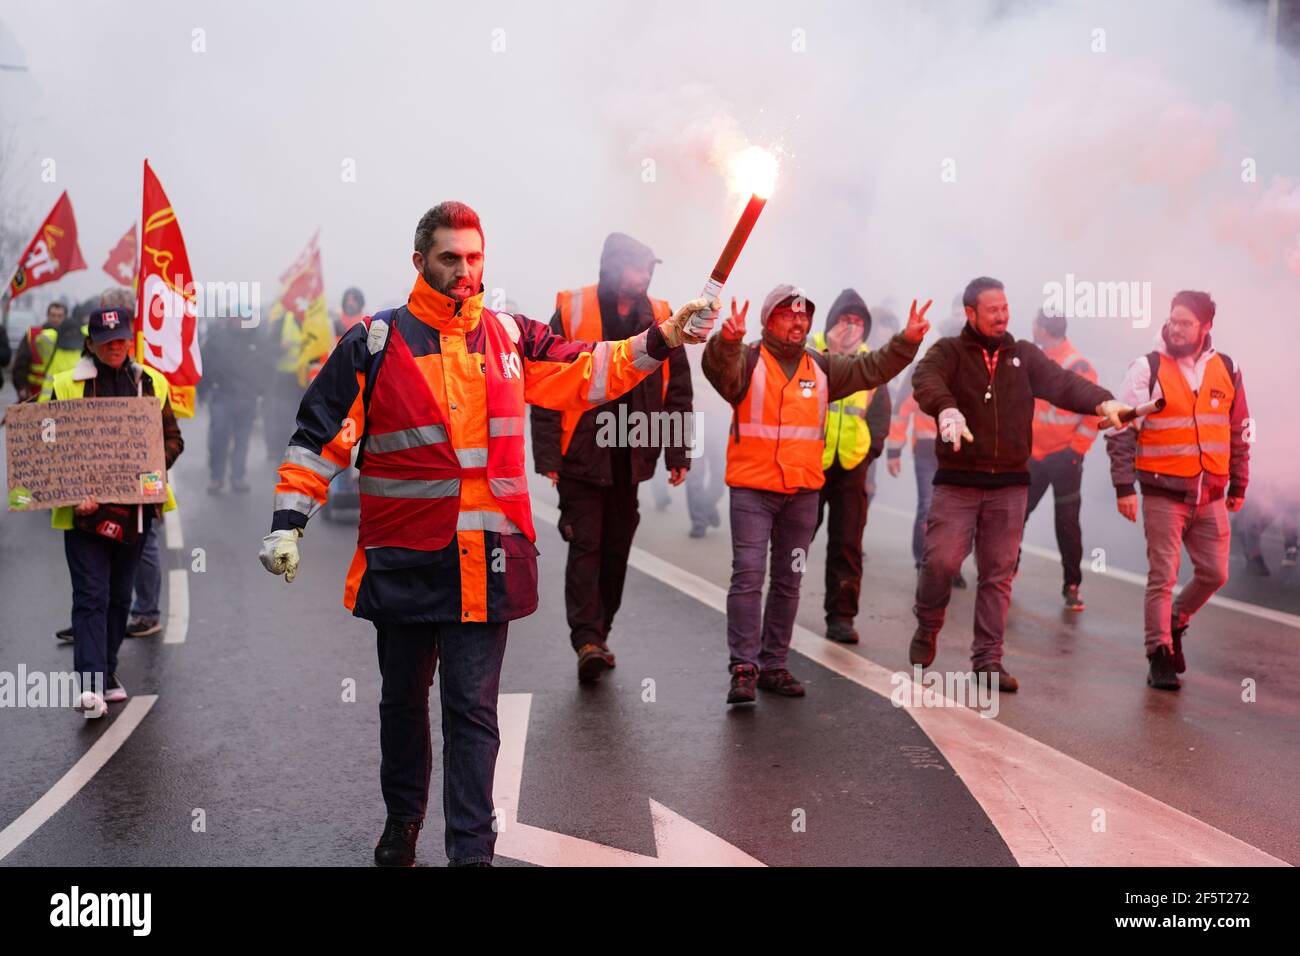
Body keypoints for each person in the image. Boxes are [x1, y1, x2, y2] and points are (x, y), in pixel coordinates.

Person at [258, 201, 715, 867]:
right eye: (450, 257)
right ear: (420, 262)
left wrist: (665, 336)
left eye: (474, 257)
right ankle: (403, 822)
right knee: (403, 705)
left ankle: (471, 852)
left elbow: (594, 369)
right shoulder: (373, 343)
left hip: (489, 561)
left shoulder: (510, 337)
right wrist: (288, 522)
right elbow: (320, 435)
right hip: (404, 560)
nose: (464, 270)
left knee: (472, 712)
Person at [703, 285, 926, 705]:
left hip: (803, 492)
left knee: (789, 581)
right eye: (789, 314)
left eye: (804, 315)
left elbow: (873, 368)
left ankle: (773, 664)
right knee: (749, 577)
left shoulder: (823, 366)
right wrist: (726, 340)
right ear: (768, 320)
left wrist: (907, 341)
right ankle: (744, 668)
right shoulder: (748, 360)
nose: (799, 321)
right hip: (753, 489)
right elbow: (720, 372)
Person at [909, 277, 1127, 692]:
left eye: (1005, 308)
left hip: (1010, 484)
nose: (1002, 315)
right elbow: (926, 379)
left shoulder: (1024, 356)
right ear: (970, 314)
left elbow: (1064, 384)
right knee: (940, 563)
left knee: (998, 574)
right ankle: (928, 625)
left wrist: (1104, 401)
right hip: (958, 482)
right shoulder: (949, 352)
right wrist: (947, 410)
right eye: (992, 309)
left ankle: (988, 660)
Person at [529, 233, 694, 682]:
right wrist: (547, 455)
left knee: (617, 545)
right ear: (611, 268)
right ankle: (586, 638)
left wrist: (679, 451)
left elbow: (677, 388)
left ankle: (600, 629)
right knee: (587, 544)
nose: (643, 277)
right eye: (635, 268)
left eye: (648, 270)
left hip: (632, 455)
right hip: (579, 453)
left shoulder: (662, 317)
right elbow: (544, 382)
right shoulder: (573, 309)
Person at [40, 307, 184, 716]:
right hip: (84, 514)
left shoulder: (149, 383)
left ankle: (106, 672)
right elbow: (48, 444)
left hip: (134, 512)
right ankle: (89, 685)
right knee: (91, 596)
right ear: (91, 345)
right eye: (107, 341)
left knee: (121, 597)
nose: (116, 347)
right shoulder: (67, 385)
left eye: (121, 339)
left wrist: (154, 464)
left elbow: (173, 438)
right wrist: (73, 490)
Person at [1106, 290, 1250, 691]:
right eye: (1173, 320)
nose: (1176, 328)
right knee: (1162, 577)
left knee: (1215, 573)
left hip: (1211, 495)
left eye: (1186, 322)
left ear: (1206, 327)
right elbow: (1119, 429)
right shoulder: (1146, 368)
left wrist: (1239, 482)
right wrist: (1123, 488)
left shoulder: (1228, 368)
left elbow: (1238, 430)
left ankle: (1176, 619)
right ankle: (1159, 655)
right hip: (1162, 494)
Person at [809, 289, 892, 645]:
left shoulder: (869, 362)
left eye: (858, 322)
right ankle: (781, 602)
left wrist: (871, 450)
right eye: (846, 320)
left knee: (847, 543)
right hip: (810, 462)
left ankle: (841, 616)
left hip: (852, 464)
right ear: (832, 321)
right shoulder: (810, 353)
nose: (851, 327)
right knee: (795, 541)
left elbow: (880, 414)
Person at [1023, 308, 1100, 611]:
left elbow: (1093, 411)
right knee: (1016, 515)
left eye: (1034, 323)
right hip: (1033, 455)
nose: (1031, 327)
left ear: (1044, 329)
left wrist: (1075, 451)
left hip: (1064, 458)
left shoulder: (1076, 364)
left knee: (1066, 524)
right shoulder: (1037, 360)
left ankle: (1072, 584)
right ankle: (1006, 570)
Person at [885, 316, 969, 589]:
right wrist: (893, 451)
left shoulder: (976, 370)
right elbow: (901, 410)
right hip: (927, 450)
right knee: (928, 507)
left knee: (959, 514)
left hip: (962, 452)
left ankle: (951, 565)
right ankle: (924, 562)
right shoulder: (924, 368)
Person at [201, 307, 264, 494]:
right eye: (237, 318)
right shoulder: (217, 338)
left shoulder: (256, 340)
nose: (240, 322)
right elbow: (205, 363)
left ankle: (238, 476)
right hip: (222, 396)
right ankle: (216, 477)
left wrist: (260, 390)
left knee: (242, 439)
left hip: (247, 398)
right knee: (219, 437)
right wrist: (204, 390)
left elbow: (266, 366)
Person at [11, 299, 67, 401]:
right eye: (53, 315)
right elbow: (21, 363)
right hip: (34, 393)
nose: (56, 319)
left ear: (65, 318)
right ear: (47, 316)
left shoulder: (70, 337)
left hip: (60, 394)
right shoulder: (32, 335)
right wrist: (22, 387)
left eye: (59, 316)